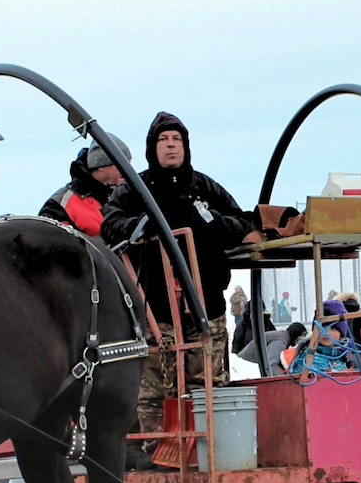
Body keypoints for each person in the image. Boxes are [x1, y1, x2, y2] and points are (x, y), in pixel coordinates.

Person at [101, 112, 253, 439]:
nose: (171, 146)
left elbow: (242, 224)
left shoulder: (205, 188)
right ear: (152, 147)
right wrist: (143, 225)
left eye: (177, 140)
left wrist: (210, 221)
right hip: (155, 311)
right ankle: (155, 451)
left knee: (207, 386)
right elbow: (109, 227)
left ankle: (211, 446)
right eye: (164, 140)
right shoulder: (134, 191)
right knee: (154, 392)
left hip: (205, 307)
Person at [39, 137, 133, 237]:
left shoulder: (131, 197)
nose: (128, 171)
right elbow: (52, 243)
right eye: (122, 165)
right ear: (101, 166)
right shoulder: (60, 205)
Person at [238, 321, 307, 376]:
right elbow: (272, 365)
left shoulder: (282, 336)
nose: (298, 343)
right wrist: (284, 378)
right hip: (244, 367)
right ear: (296, 335)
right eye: (299, 339)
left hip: (247, 365)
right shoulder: (280, 341)